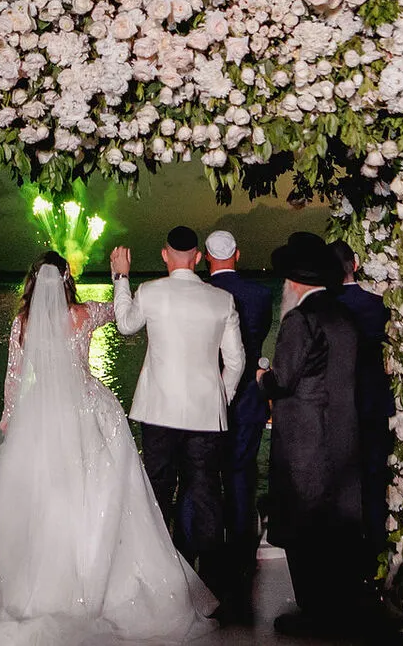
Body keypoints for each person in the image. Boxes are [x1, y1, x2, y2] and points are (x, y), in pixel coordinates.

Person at [0, 252, 218, 646]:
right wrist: (121, 277)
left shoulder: (23, 323)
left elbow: (14, 379)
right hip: (90, 407)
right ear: (68, 279)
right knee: (99, 492)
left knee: (44, 496)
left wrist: (7, 421)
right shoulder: (85, 314)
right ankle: (100, 577)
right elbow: (128, 321)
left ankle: (42, 577)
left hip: (42, 412)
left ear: (33, 281)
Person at [110, 227, 245, 599]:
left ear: (165, 256)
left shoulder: (151, 292)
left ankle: (154, 578)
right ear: (199, 258)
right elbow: (236, 362)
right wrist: (222, 397)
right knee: (205, 493)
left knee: (156, 492)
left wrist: (121, 277)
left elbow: (125, 325)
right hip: (206, 414)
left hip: (158, 412)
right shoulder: (221, 300)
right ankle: (213, 583)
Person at [255, 231, 373, 639]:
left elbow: (282, 380)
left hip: (305, 440)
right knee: (334, 529)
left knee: (303, 528)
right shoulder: (344, 317)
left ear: (293, 283)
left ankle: (313, 611)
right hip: (343, 436)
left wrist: (261, 378)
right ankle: (338, 605)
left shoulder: (299, 319)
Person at [201, 228, 273, 625]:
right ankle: (243, 559)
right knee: (242, 478)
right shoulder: (262, 296)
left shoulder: (203, 294)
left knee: (205, 476)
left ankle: (208, 559)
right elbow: (254, 344)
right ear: (238, 254)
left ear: (208, 258)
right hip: (248, 400)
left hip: (207, 398)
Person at [330, 240, 396, 590]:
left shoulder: (327, 309)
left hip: (339, 407)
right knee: (373, 482)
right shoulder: (378, 305)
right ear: (355, 264)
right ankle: (374, 555)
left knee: (340, 483)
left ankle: (343, 559)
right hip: (373, 404)